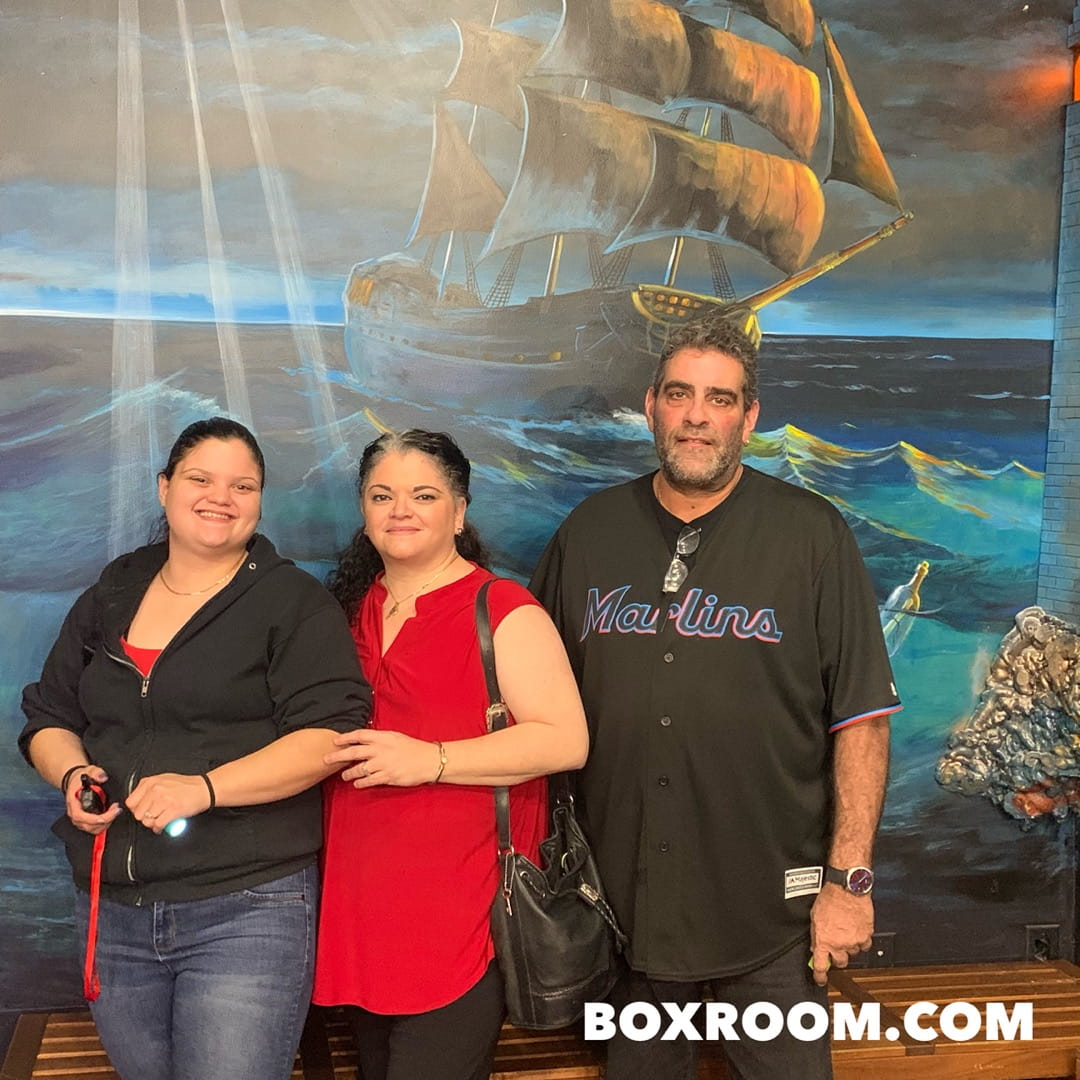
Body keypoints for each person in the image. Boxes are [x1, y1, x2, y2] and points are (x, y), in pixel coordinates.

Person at [529, 312, 900, 1080]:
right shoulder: (589, 533)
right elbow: (536, 713)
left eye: (720, 399)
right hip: (624, 917)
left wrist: (849, 885)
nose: (697, 415)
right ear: (651, 406)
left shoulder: (811, 535)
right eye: (679, 394)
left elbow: (861, 720)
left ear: (749, 416)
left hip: (771, 919)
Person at [19, 417, 373, 1080]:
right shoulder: (113, 592)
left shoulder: (291, 601)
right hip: (114, 909)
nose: (221, 497)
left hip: (246, 907)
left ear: (260, 500)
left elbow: (329, 737)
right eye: (201, 479)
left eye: (243, 485)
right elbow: (49, 715)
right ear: (165, 488)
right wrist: (71, 774)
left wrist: (205, 789)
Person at [313, 429, 589, 1080]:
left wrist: (432, 759)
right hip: (359, 914)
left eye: (423, 495)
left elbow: (566, 740)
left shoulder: (503, 610)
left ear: (459, 512)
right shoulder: (346, 611)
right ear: (363, 510)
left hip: (460, 919)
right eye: (382, 495)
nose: (400, 510)